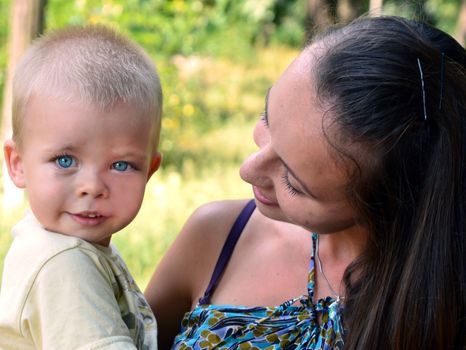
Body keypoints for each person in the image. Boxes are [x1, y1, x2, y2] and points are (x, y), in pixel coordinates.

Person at [144, 15, 466, 349]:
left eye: (293, 183)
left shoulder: (443, 306)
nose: (248, 170)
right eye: (267, 117)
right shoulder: (218, 234)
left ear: (386, 204)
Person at [0, 25, 163, 349]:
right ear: (17, 164)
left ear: (149, 170)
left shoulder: (64, 245)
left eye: (121, 165)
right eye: (64, 160)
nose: (92, 187)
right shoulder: (65, 264)